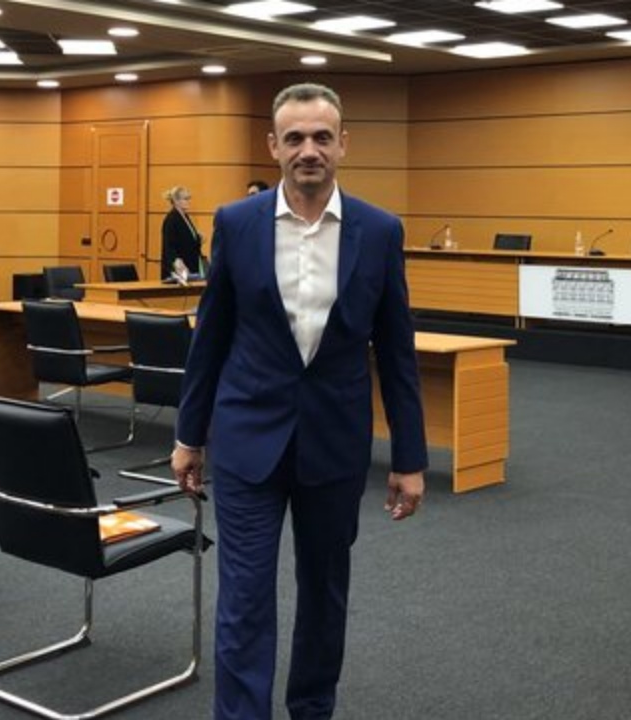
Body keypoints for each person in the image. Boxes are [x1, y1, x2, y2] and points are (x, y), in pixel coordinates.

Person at [172, 83, 428, 720]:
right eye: (294, 138)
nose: (308, 150)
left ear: (343, 144)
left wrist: (409, 457)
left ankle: (312, 707)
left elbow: (397, 353)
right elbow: (212, 337)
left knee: (324, 595)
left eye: (321, 137)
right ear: (273, 146)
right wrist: (187, 434)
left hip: (334, 446)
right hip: (246, 441)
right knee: (244, 598)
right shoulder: (236, 224)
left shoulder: (380, 230)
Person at [161, 185, 204, 278]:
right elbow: (169, 246)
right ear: (176, 201)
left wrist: (198, 238)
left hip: (191, 265)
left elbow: (186, 240)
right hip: (180, 270)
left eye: (189, 198)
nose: (188, 201)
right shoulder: (171, 219)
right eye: (185, 199)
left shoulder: (185, 216)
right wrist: (176, 261)